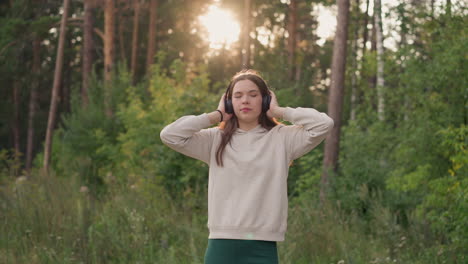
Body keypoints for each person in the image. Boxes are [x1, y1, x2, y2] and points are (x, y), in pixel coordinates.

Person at [160, 69, 334, 264]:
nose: (245, 101)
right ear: (229, 103)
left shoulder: (283, 138)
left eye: (253, 95)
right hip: (222, 245)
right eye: (238, 96)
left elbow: (324, 124)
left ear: (265, 101)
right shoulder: (214, 140)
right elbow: (169, 135)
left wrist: (280, 111)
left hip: (263, 246)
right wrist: (216, 115)